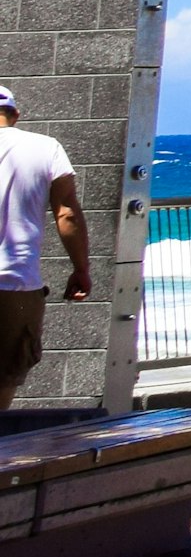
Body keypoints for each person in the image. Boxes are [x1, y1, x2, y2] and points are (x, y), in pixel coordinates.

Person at [0, 85, 93, 415]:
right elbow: (66, 212)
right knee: (5, 376)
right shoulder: (45, 147)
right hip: (15, 284)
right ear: (16, 115)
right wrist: (81, 269)